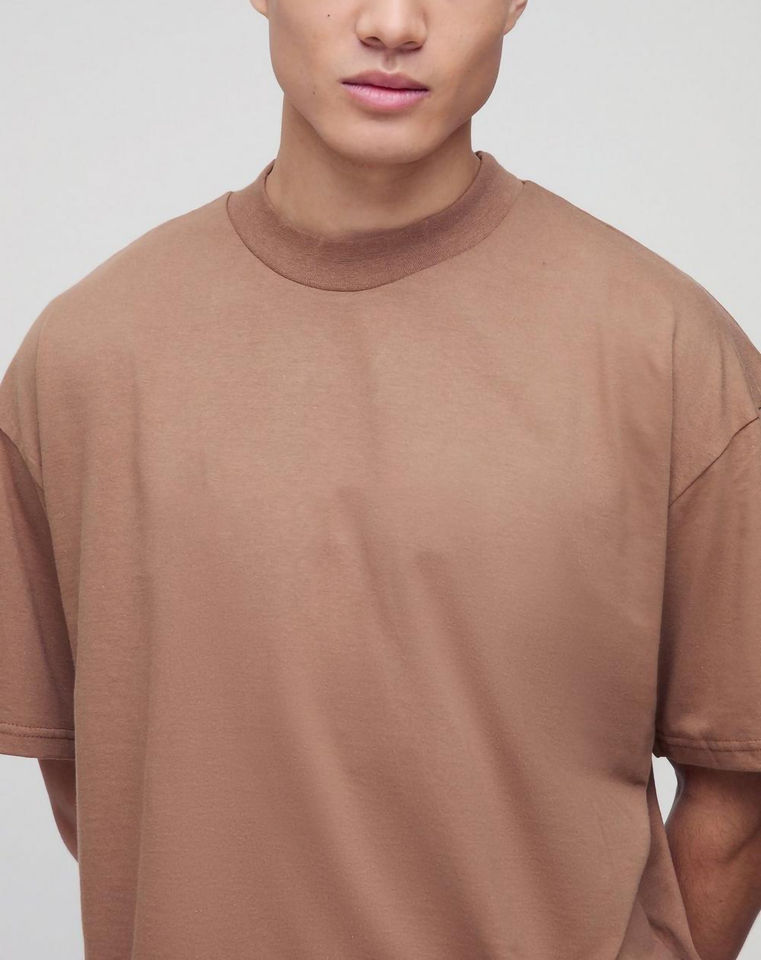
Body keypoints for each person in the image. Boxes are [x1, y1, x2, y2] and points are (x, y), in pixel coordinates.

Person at [2, 0, 760, 957]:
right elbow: (105, 784)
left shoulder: (673, 356)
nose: (394, 23)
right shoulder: (84, 362)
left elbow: (739, 795)